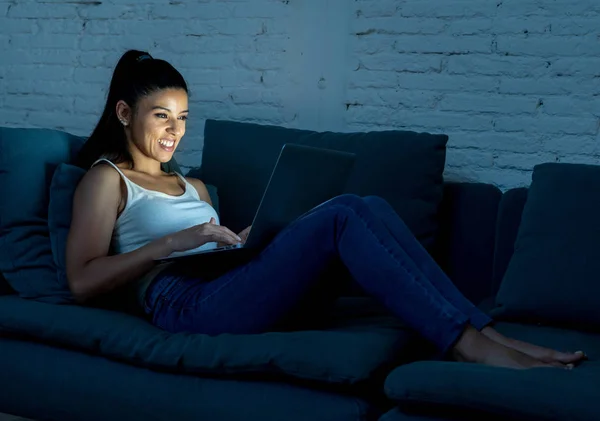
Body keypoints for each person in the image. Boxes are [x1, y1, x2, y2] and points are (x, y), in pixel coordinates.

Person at [67, 50, 586, 371]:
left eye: (182, 117)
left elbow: (220, 255)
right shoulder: (107, 179)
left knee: (369, 204)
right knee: (344, 212)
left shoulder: (194, 185)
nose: (174, 130)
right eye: (162, 116)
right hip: (182, 302)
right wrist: (169, 245)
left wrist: (252, 238)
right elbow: (82, 281)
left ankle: (485, 331)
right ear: (124, 113)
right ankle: (470, 344)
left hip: (230, 283)